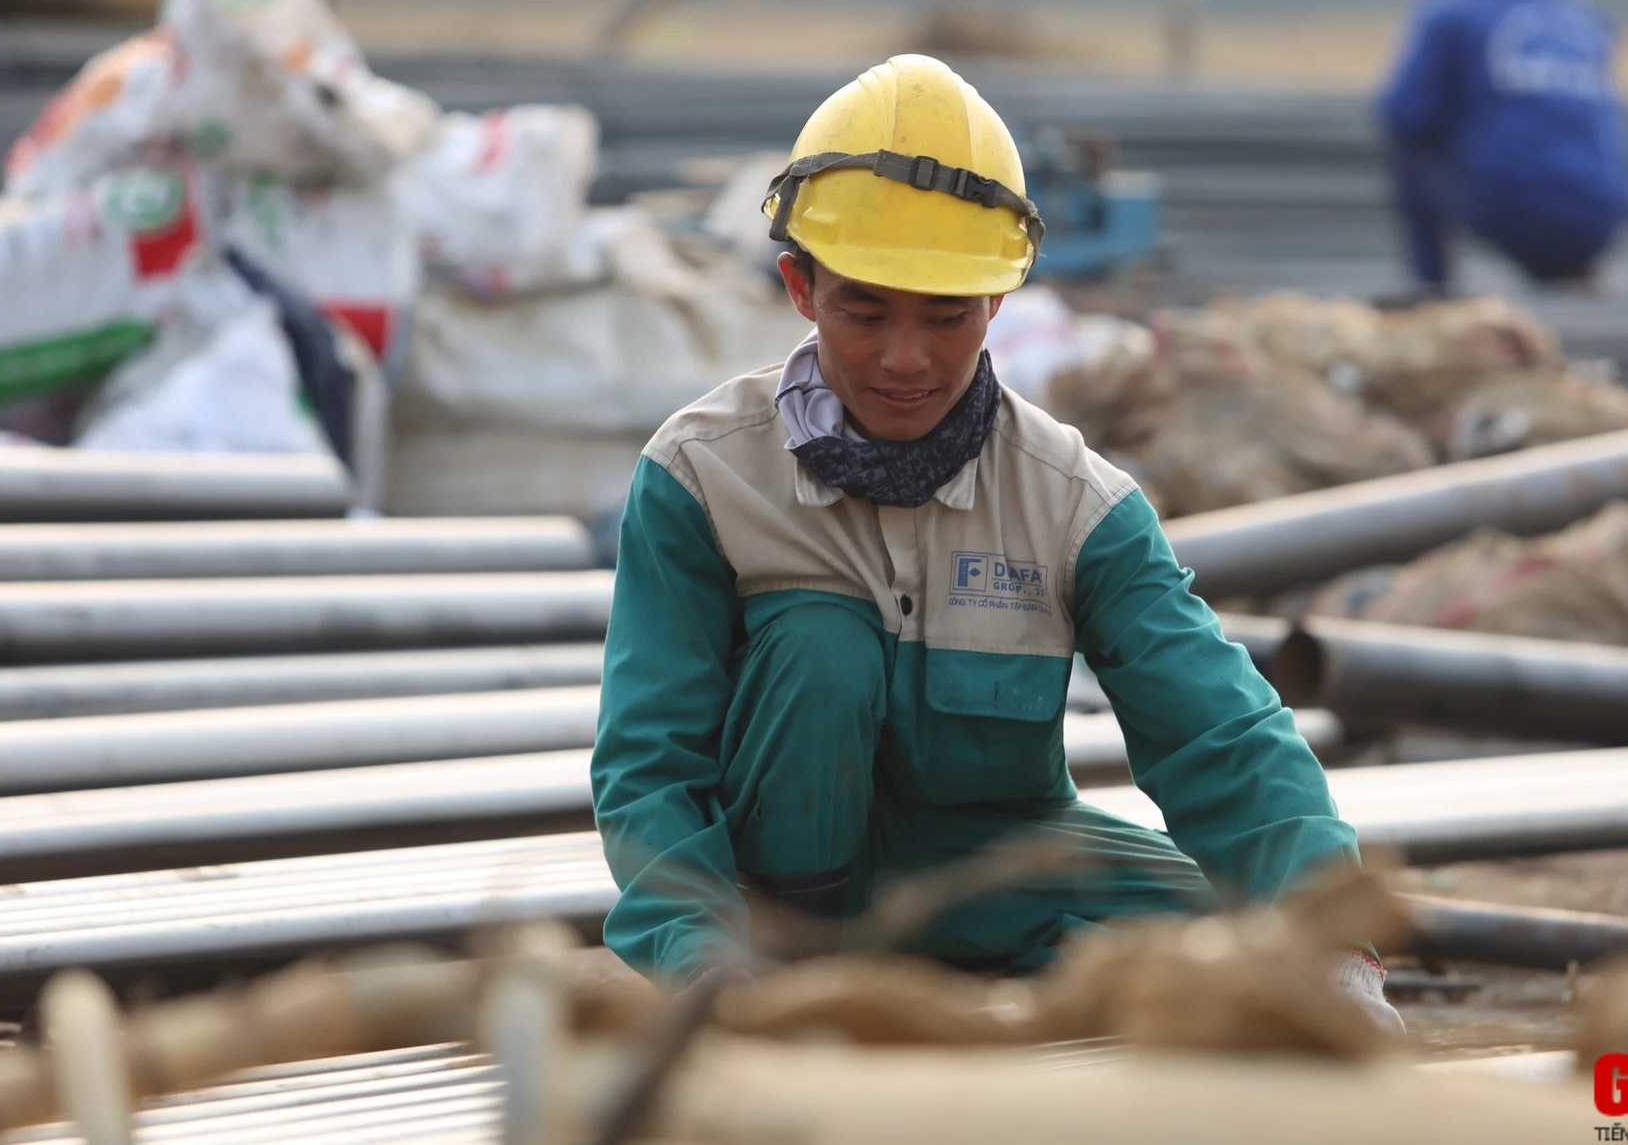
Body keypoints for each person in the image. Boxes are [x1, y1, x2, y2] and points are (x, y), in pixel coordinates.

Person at [592, 54, 1398, 1031]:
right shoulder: (700, 474)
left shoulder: (1072, 501)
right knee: (819, 641)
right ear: (800, 287)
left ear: (999, 303)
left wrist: (1331, 943)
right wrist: (702, 959)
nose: (905, 357)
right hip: (772, 905)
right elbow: (650, 766)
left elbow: (1218, 730)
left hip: (990, 872)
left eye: (945, 315)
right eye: (865, 310)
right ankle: (793, 977)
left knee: (1229, 955)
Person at [1376, 0, 1628, 297]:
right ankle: (1570, 267)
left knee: (1412, 138)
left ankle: (1432, 282)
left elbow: (1404, 112)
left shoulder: (1450, 10)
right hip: (1604, 212)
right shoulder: (1583, 15)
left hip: (1507, 205)